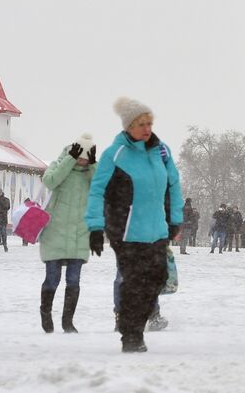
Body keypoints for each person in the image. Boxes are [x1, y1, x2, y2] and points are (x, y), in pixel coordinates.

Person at [86, 96, 183, 354]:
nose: (147, 128)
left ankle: (134, 325)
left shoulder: (162, 152)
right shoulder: (114, 154)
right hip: (126, 230)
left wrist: (175, 218)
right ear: (128, 126)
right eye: (140, 124)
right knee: (133, 282)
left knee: (158, 277)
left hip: (157, 230)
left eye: (149, 123)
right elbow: (97, 191)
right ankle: (132, 335)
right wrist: (95, 227)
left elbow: (173, 184)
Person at [38, 134, 96, 333]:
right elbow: (51, 181)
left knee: (73, 280)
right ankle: (45, 313)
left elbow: (101, 187)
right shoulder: (59, 164)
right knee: (52, 278)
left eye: (87, 156)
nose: (83, 159)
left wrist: (94, 163)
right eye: (81, 155)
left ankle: (67, 321)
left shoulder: (90, 173)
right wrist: (70, 159)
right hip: (54, 232)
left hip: (79, 234)